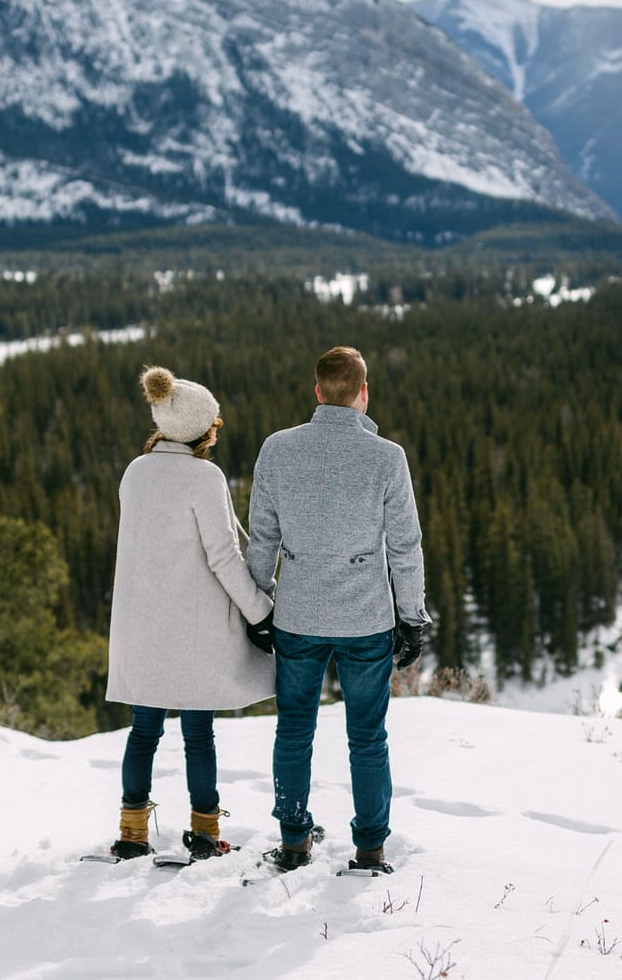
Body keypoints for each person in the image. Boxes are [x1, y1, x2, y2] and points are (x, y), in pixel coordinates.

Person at [247, 345, 429, 873]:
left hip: (298, 615)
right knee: (367, 737)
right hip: (366, 618)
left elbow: (262, 539)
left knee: (294, 730)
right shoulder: (387, 457)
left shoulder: (277, 450)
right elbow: (405, 546)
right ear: (364, 394)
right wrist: (412, 616)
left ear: (318, 392)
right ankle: (370, 848)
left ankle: (293, 840)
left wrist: (259, 607)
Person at [104, 366, 277, 860]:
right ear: (202, 429)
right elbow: (224, 556)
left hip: (142, 628)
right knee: (198, 734)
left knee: (144, 732)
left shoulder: (136, 472)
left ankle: (132, 833)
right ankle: (204, 833)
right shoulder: (205, 477)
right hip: (193, 630)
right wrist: (260, 613)